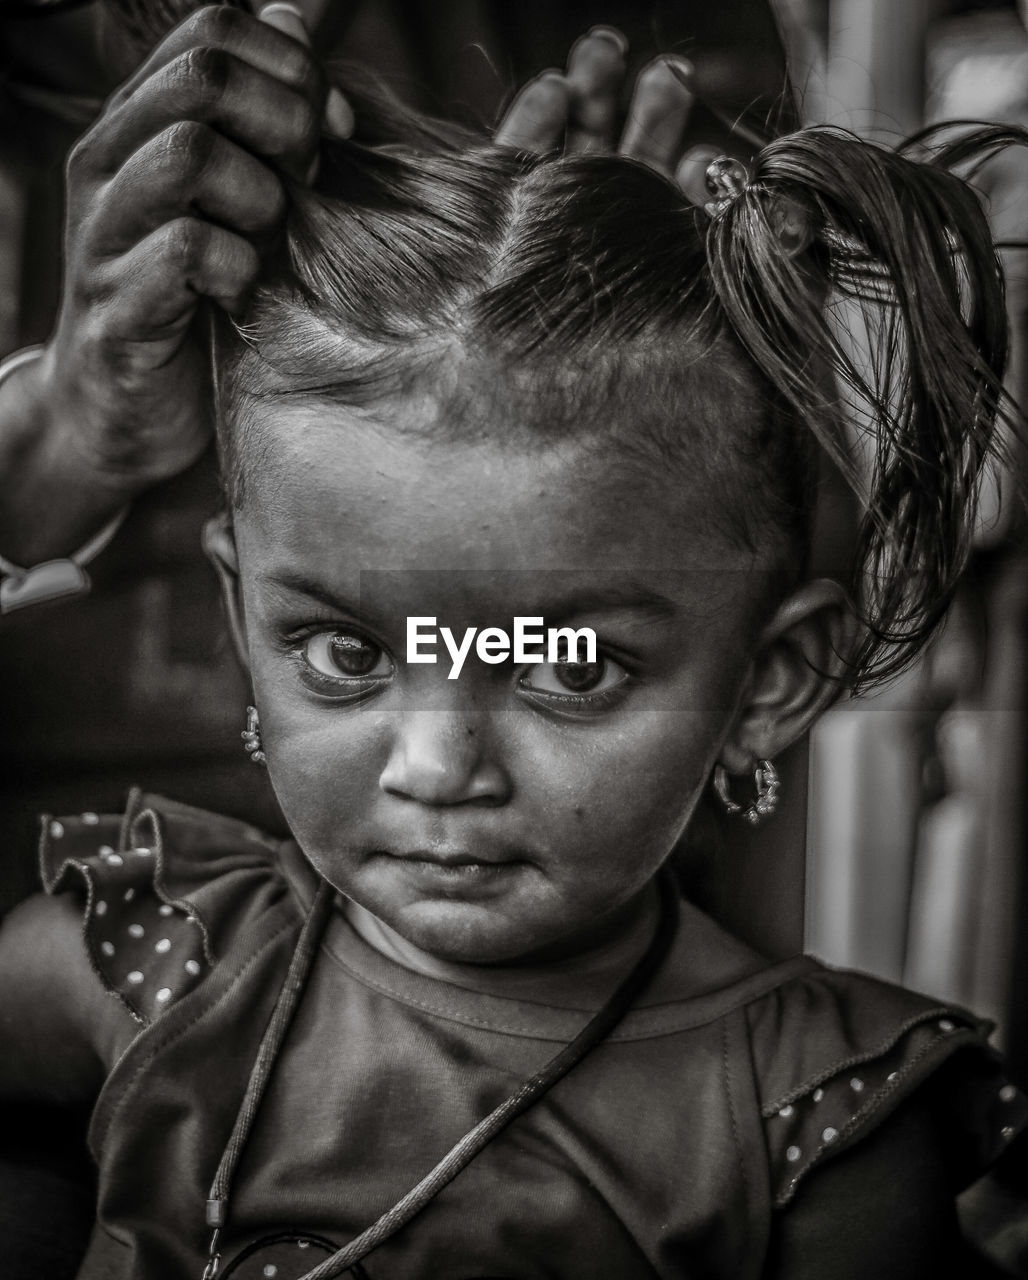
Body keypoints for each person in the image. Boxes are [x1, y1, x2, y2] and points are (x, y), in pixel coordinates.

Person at [2, 23, 1027, 1280]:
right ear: (240, 618)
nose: (436, 766)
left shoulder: (816, 1132)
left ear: (768, 681)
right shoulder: (141, 958)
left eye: (566, 666)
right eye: (343, 653)